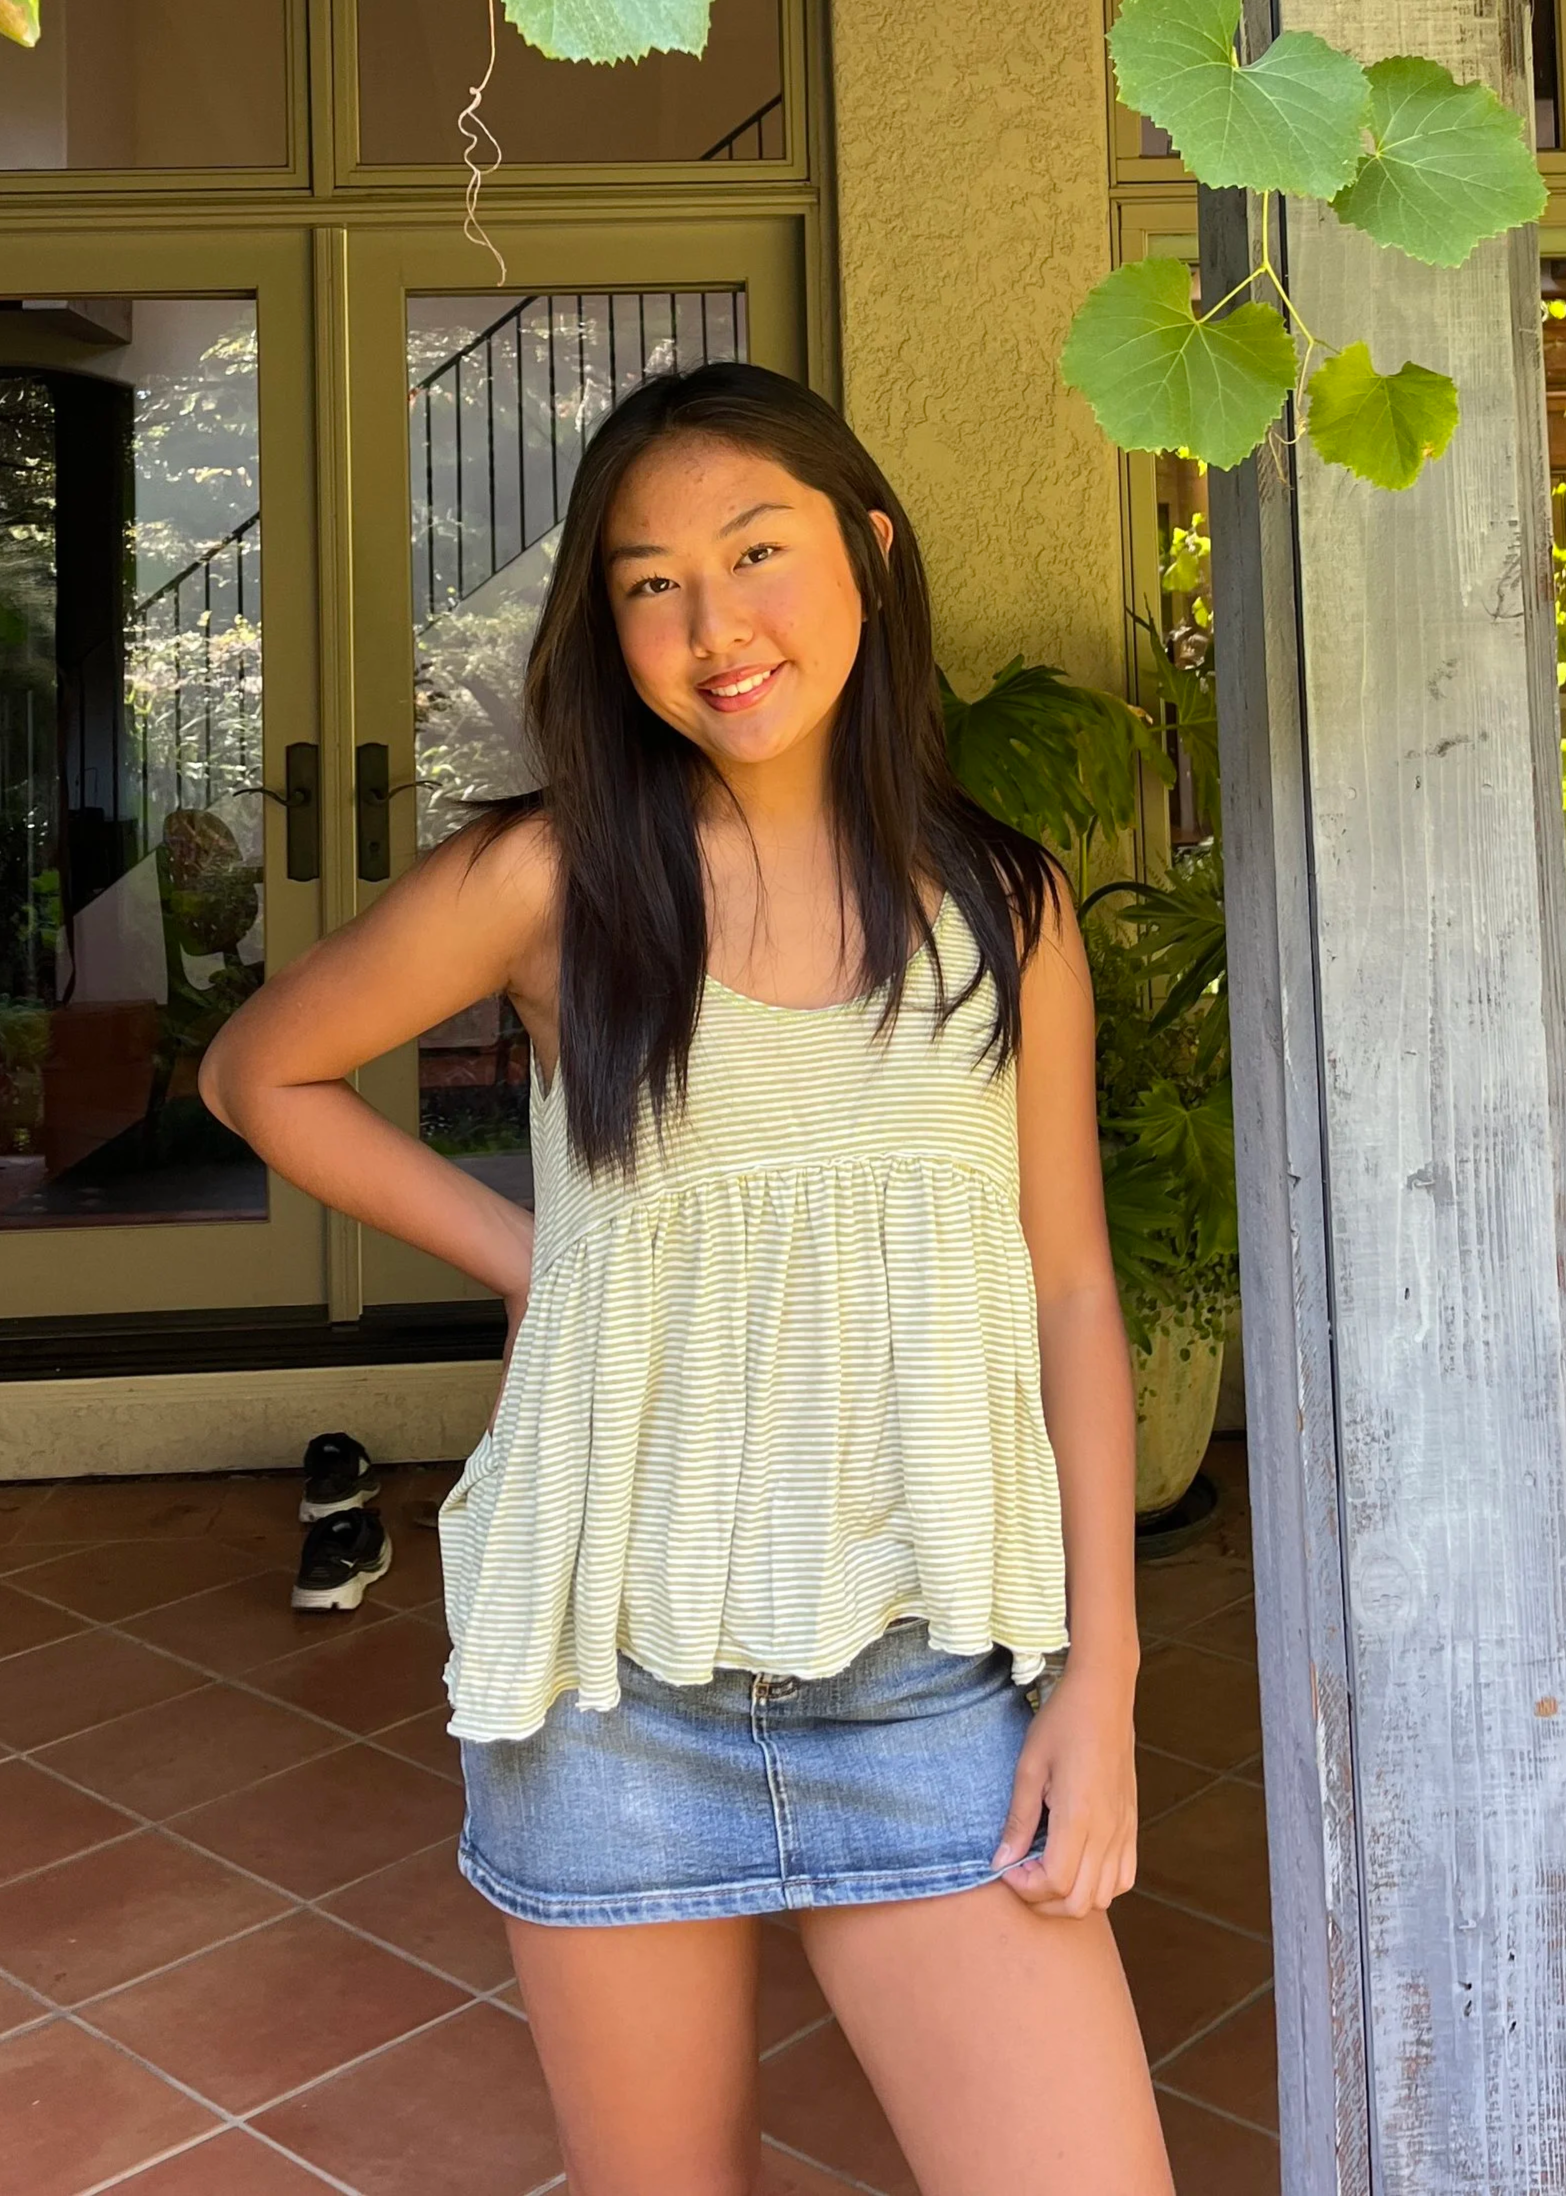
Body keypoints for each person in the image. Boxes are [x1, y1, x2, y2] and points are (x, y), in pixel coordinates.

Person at [201, 361, 1175, 2196]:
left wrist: (1100, 1683)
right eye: (650, 582)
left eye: (755, 553)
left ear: (868, 551)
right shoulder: (551, 878)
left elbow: (1069, 1292)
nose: (713, 626)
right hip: (609, 1693)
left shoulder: (1003, 908)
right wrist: (533, 1254)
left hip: (929, 1684)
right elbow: (264, 1074)